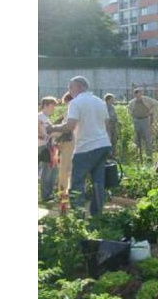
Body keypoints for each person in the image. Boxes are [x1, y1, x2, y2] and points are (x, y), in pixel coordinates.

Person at [47, 76, 112, 217]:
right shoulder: (100, 102)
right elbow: (107, 125)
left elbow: (70, 126)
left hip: (85, 148)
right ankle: (97, 214)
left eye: (71, 87)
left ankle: (78, 216)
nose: (69, 91)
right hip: (103, 145)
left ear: (79, 87)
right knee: (98, 182)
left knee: (77, 182)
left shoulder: (76, 103)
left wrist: (52, 128)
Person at [55, 92, 75, 210]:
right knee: (70, 171)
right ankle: (66, 196)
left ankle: (63, 197)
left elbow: (65, 128)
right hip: (76, 143)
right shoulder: (73, 110)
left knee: (64, 171)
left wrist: (54, 136)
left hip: (69, 143)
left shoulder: (71, 111)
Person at [127, 88, 158, 159]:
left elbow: (156, 104)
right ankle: (138, 154)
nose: (137, 96)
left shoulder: (147, 99)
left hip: (145, 119)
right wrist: (132, 115)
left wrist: (151, 111)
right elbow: (129, 109)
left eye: (138, 94)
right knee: (137, 138)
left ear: (140, 94)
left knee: (147, 137)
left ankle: (149, 155)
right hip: (136, 120)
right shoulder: (132, 102)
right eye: (135, 94)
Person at [39, 96, 59, 202]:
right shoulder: (39, 117)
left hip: (50, 147)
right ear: (45, 105)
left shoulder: (46, 118)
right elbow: (41, 133)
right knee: (47, 171)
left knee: (53, 171)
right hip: (43, 147)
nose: (54, 108)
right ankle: (45, 196)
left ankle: (49, 194)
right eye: (52, 106)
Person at [104, 93, 119, 157]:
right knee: (108, 140)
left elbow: (115, 116)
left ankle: (113, 154)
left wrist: (117, 121)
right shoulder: (104, 107)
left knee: (114, 140)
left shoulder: (112, 107)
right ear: (108, 99)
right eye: (112, 99)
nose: (113, 100)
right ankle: (108, 155)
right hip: (107, 126)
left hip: (113, 126)